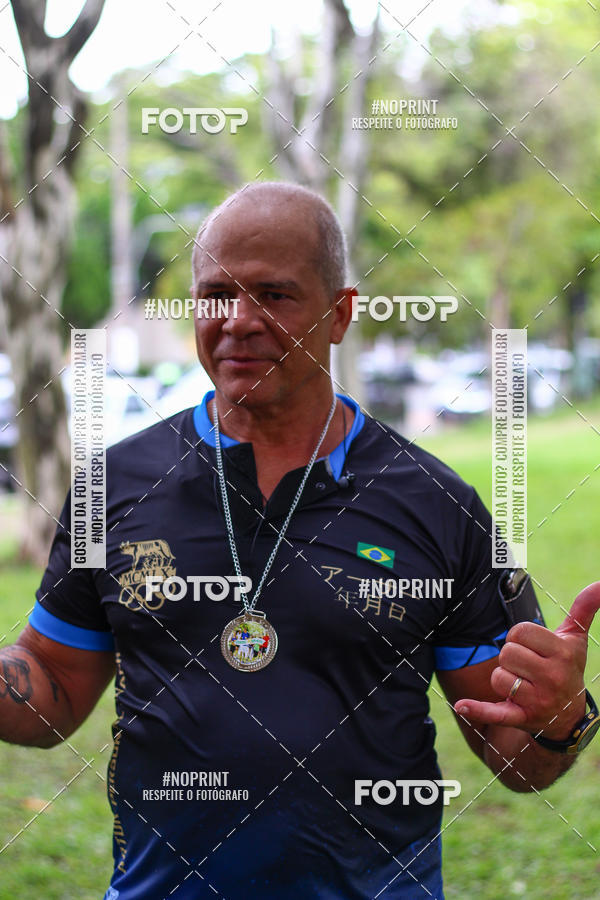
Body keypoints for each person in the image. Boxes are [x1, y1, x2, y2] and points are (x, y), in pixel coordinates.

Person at [1, 181, 598, 900]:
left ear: (340, 314)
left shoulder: (436, 505)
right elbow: (52, 692)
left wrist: (561, 720)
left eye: (275, 295)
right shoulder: (115, 486)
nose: (239, 322)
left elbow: (515, 760)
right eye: (216, 293)